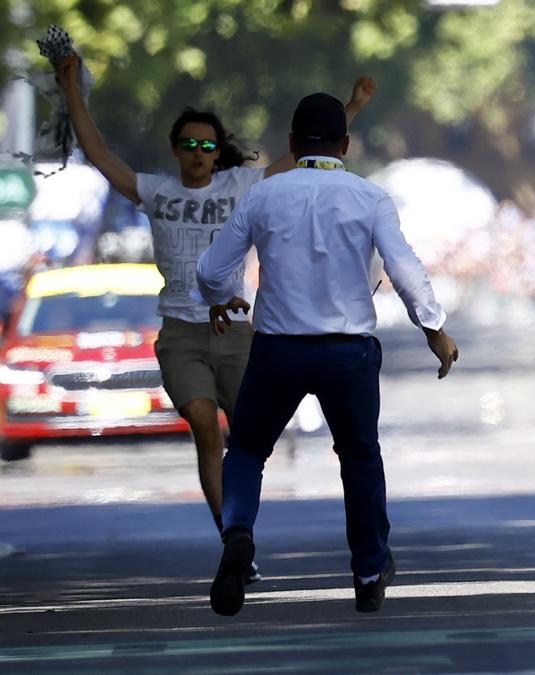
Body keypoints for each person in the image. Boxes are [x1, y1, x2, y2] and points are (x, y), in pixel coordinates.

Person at [55, 54, 375, 571]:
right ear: (176, 150)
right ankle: (233, 542)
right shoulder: (156, 192)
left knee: (249, 438)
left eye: (208, 145)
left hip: (238, 337)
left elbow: (308, 154)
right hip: (182, 334)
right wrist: (72, 89)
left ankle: (241, 523)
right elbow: (97, 153)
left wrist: (353, 107)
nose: (199, 153)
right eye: (189, 145)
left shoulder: (242, 189)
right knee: (205, 424)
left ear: (216, 152)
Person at [195, 92, 458, 616]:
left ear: (291, 144)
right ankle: (368, 569)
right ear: (346, 144)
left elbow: (210, 269)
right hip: (348, 353)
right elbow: (403, 267)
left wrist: (220, 298)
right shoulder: (369, 197)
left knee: (247, 451)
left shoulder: (264, 197)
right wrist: (433, 327)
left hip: (277, 351)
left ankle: (238, 536)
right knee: (360, 458)